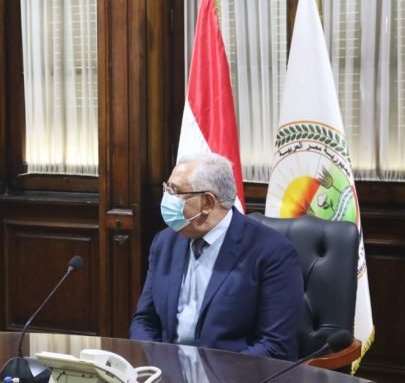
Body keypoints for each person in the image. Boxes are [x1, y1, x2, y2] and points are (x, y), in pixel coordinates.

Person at [130, 152, 303, 360]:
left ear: (208, 203)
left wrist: (215, 374)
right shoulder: (165, 242)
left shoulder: (271, 252)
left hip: (233, 372)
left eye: (176, 192)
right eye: (167, 188)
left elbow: (275, 345)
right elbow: (144, 321)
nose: (167, 198)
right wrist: (158, 364)